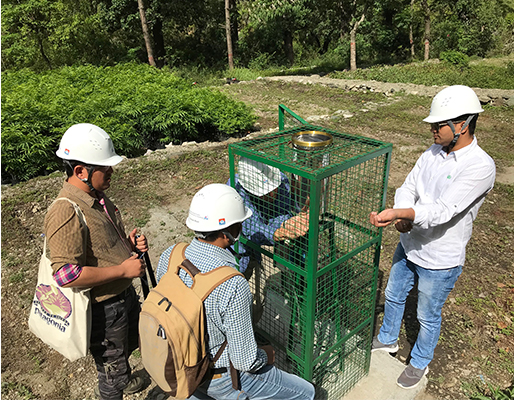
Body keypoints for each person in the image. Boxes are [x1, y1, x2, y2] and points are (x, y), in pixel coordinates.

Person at [369, 85, 496, 389]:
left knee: (427, 314)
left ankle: (420, 361)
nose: (433, 130)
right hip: (410, 244)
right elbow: (409, 186)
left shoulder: (480, 166)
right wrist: (401, 212)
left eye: (439, 125)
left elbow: (443, 211)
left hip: (440, 257)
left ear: (463, 124)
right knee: (394, 294)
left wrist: (403, 215)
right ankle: (387, 339)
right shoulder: (433, 152)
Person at [156, 183, 315, 400]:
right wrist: (265, 355)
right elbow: (244, 361)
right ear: (231, 231)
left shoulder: (170, 256)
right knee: (308, 393)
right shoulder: (232, 283)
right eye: (240, 224)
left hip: (180, 363)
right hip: (220, 377)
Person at [44, 123, 149, 400]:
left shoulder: (95, 196)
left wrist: (128, 246)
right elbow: (66, 274)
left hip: (121, 297)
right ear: (80, 171)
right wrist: (122, 269)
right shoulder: (65, 210)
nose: (112, 171)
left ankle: (124, 380)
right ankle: (115, 388)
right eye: (106, 167)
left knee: (125, 350)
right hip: (104, 310)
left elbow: (100, 247)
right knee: (110, 373)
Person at [227, 157, 309, 278]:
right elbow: (250, 228)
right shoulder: (236, 190)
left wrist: (285, 225)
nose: (272, 194)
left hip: (256, 245)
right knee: (239, 276)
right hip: (238, 249)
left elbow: (281, 213)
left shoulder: (281, 181)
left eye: (273, 189)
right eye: (264, 193)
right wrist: (277, 233)